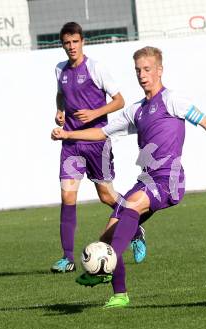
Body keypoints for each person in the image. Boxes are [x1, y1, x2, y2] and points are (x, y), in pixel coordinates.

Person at [51, 46, 206, 308]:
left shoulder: (172, 101)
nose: (142, 75)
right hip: (145, 180)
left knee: (130, 208)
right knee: (106, 238)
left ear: (159, 70)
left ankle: (108, 264)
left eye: (147, 69)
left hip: (169, 179)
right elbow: (102, 132)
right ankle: (119, 293)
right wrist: (68, 135)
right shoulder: (136, 111)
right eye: (138, 70)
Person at [51, 22, 146, 273]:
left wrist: (95, 112)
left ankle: (135, 228)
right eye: (66, 43)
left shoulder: (95, 68)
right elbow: (61, 94)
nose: (71, 47)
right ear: (62, 45)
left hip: (96, 143)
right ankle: (67, 258)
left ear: (82, 42)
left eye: (75, 42)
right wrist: (60, 112)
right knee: (67, 196)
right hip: (70, 143)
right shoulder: (60, 69)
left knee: (106, 195)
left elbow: (119, 101)